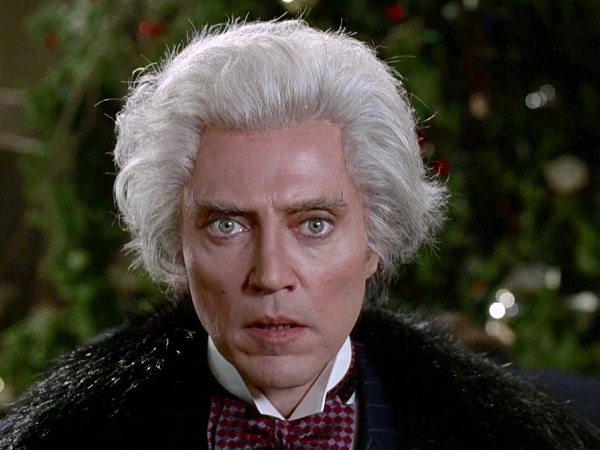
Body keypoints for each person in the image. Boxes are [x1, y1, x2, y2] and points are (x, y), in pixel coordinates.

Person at [1, 19, 599, 449]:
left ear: (374, 240)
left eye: (314, 225)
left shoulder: (506, 434)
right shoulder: (69, 435)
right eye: (227, 225)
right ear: (177, 247)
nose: (270, 275)